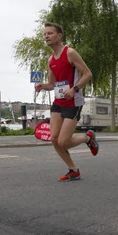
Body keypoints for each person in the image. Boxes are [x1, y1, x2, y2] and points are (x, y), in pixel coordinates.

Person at [34, 22, 98, 182]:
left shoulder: (70, 53)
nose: (46, 36)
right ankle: (73, 169)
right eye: (45, 34)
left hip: (73, 102)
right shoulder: (50, 60)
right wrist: (42, 86)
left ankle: (88, 138)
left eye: (50, 33)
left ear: (59, 36)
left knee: (63, 141)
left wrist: (74, 89)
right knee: (54, 140)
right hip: (58, 102)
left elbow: (87, 74)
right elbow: (52, 84)